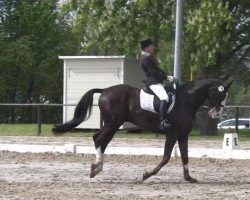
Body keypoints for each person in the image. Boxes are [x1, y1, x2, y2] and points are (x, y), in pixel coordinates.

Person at [140, 38, 174, 130]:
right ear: (146, 48)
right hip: (152, 82)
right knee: (165, 98)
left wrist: (168, 76)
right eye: (151, 46)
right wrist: (166, 78)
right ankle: (162, 121)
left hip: (157, 81)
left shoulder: (150, 57)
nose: (153, 47)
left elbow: (158, 70)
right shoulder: (145, 59)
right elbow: (153, 73)